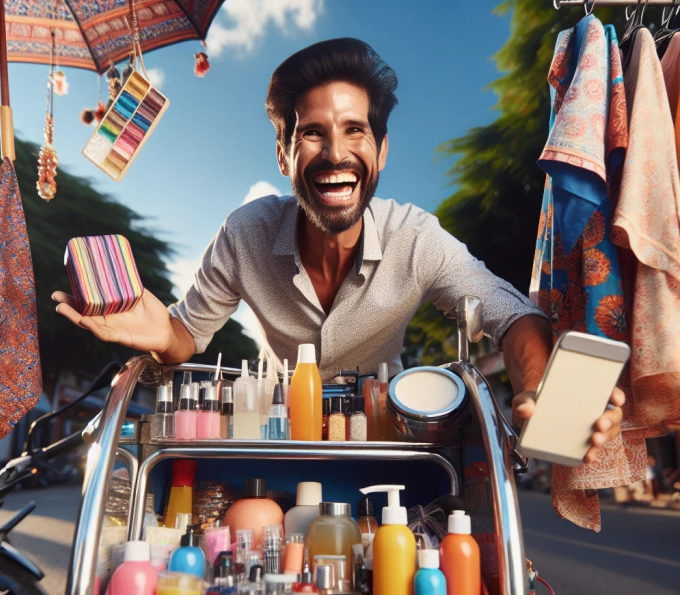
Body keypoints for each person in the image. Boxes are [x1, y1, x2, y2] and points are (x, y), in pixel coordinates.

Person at [52, 38, 624, 463]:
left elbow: (510, 312)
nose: (336, 153)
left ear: (381, 150)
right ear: (283, 156)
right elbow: (185, 337)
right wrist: (162, 333)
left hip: (388, 440)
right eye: (311, 133)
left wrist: (536, 387)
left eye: (355, 130)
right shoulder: (244, 233)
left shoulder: (415, 237)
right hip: (281, 433)